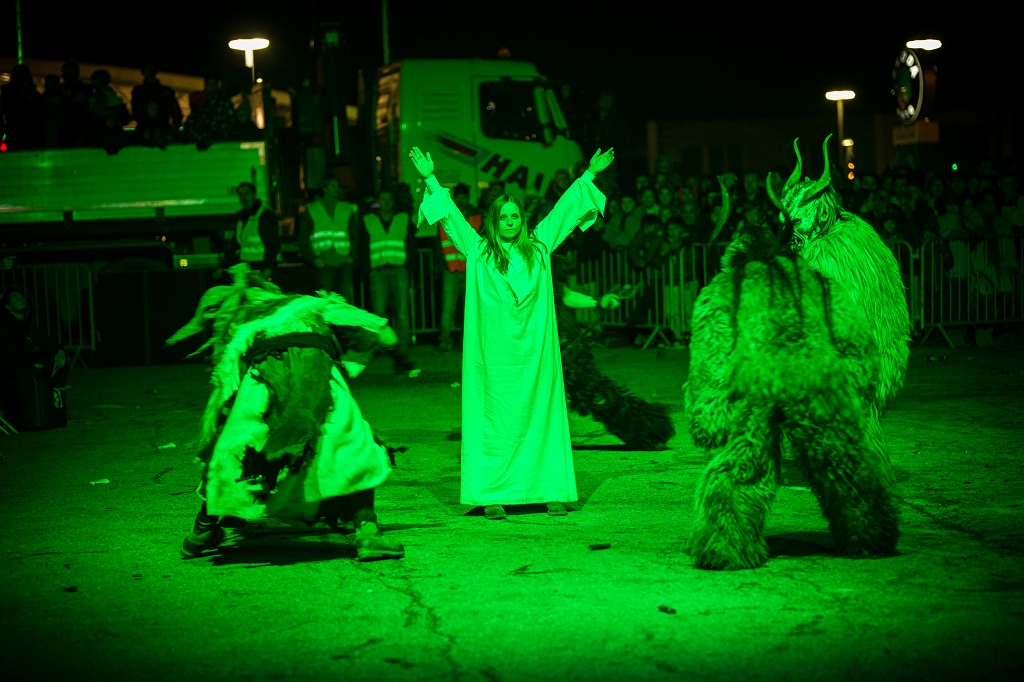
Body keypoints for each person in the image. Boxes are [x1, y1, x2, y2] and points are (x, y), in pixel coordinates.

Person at [414, 144, 614, 519]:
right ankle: (491, 493)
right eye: (503, 217)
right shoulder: (479, 253)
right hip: (494, 362)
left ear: (522, 220)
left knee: (541, 417)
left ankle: (549, 489)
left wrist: (590, 173)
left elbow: (564, 212)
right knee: (494, 420)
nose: (509, 222)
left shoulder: (539, 249)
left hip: (534, 360)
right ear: (494, 221)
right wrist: (430, 178)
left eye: (515, 216)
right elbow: (452, 218)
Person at [167, 264, 404, 561]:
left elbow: (225, 401)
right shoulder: (313, 304)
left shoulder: (242, 329)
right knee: (352, 445)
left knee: (238, 448)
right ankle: (368, 532)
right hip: (315, 371)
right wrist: (400, 357)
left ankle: (201, 530)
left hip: (262, 375)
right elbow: (386, 335)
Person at [767, 137, 909, 483]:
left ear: (817, 214)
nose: (790, 235)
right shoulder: (853, 233)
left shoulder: (832, 251)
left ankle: (858, 467)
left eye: (795, 224)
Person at [553, 255, 674, 449]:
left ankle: (645, 430)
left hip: (560, 338)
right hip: (521, 343)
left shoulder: (541, 255)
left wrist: (599, 301)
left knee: (593, 392)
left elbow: (565, 295)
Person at [362, 189, 416, 374]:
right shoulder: (368, 220)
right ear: (378, 201)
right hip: (377, 271)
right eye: (383, 199)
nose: (386, 202)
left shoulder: (403, 218)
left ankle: (402, 347)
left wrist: (408, 267)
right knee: (378, 312)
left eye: (389, 199)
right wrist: (367, 270)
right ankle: (379, 346)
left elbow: (411, 244)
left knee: (402, 311)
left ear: (394, 202)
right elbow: (363, 245)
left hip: (399, 270)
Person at [0, 291, 69, 430]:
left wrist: (59, 350)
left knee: (60, 361)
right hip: (11, 375)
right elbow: (5, 361)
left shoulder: (27, 325)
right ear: (8, 307)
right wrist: (24, 374)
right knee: (28, 381)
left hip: (26, 367)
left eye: (21, 296)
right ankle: (29, 413)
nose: (21, 298)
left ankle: (52, 402)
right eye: (16, 298)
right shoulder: (5, 327)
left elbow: (45, 342)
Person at [436, 183, 482, 352]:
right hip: (452, 270)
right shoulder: (472, 217)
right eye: (459, 198)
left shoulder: (476, 216)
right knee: (450, 309)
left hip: (468, 270)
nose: (461, 201)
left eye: (464, 198)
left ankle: (466, 344)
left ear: (467, 198)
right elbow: (438, 244)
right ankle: (445, 342)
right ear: (455, 198)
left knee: (467, 309)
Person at [300, 176, 358, 302]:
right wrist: (313, 259)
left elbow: (354, 234)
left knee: (345, 300)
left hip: (344, 260)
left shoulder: (346, 207)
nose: (337, 189)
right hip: (323, 261)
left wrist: (352, 256)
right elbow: (304, 237)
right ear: (325, 189)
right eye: (333, 186)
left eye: (337, 186)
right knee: (325, 301)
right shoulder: (313, 208)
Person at [224, 182, 280, 278]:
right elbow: (235, 245)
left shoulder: (265, 215)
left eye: (247, 193)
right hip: (246, 268)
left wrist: (268, 268)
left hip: (262, 267)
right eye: (240, 194)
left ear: (254, 194)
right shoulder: (241, 218)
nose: (244, 197)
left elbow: (272, 244)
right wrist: (223, 267)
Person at [130, 63, 182, 147]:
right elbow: (134, 110)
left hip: (160, 128)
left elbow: (176, 111)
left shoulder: (165, 91)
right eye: (148, 68)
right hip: (145, 129)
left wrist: (175, 126)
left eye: (151, 68)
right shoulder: (138, 91)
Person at [183, 75, 235, 150]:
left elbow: (228, 121)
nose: (211, 87)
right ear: (205, 86)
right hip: (199, 138)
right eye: (209, 84)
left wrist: (214, 137)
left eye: (214, 84)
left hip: (218, 140)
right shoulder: (200, 100)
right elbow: (193, 119)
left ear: (218, 86)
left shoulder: (224, 102)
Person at [0, 63, 44, 150]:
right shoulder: (8, 93)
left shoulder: (34, 94)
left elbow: (40, 113)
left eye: (23, 76)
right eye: (19, 76)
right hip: (17, 134)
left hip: (30, 135)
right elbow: (8, 112)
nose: (21, 79)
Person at [88, 69, 130, 153]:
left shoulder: (100, 97)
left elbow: (96, 117)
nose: (91, 83)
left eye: (93, 80)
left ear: (98, 81)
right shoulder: (114, 98)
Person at [59, 58, 93, 147]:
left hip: (79, 129)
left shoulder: (83, 89)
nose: (63, 75)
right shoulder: (60, 88)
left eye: (66, 72)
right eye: (62, 73)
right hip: (65, 130)